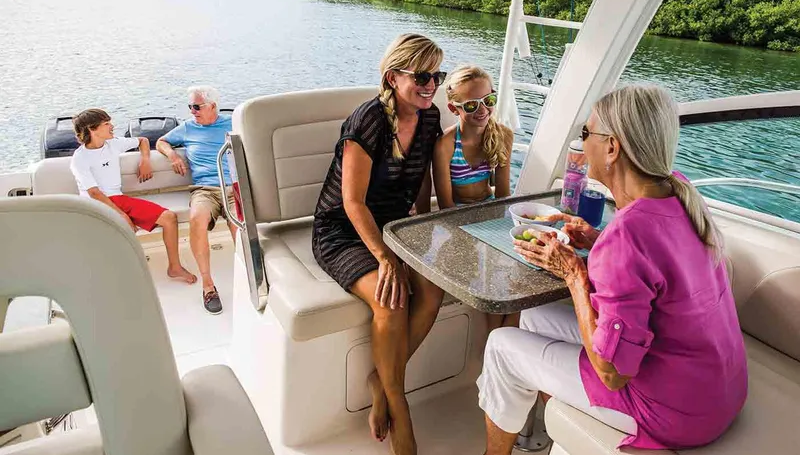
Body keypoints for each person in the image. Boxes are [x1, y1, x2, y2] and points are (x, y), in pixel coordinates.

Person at [478, 84, 747, 454]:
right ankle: (557, 422)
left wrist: (574, 272)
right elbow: (650, 266)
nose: (581, 143)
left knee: (500, 345)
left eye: (586, 134)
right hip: (718, 391)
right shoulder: (678, 191)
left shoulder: (627, 237)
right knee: (535, 316)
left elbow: (612, 372)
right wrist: (596, 238)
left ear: (612, 148)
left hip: (673, 412)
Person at [312, 33, 446, 455]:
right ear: (393, 77)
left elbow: (422, 179)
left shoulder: (429, 117)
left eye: (437, 75)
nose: (431, 84)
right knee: (391, 299)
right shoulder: (368, 121)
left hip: (394, 227)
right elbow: (351, 203)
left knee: (433, 289)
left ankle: (379, 380)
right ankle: (398, 405)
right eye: (422, 75)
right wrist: (387, 259)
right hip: (342, 230)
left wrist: (422, 228)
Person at [432, 64, 516, 332]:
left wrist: (503, 235)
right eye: (471, 105)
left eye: (488, 101)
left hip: (491, 215)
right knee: (486, 278)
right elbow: (446, 205)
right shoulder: (445, 145)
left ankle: (502, 339)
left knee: (515, 276)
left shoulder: (503, 135)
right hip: (459, 219)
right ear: (454, 108)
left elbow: (503, 195)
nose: (482, 110)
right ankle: (496, 340)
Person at [70, 108, 196, 284]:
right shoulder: (80, 158)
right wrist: (122, 215)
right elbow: (94, 193)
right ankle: (115, 276)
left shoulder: (113, 144)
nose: (112, 126)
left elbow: (143, 140)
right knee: (121, 229)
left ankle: (174, 268)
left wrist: (145, 161)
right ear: (92, 129)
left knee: (169, 217)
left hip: (118, 199)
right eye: (106, 124)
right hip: (95, 205)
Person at [156, 85, 235, 315]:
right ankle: (208, 285)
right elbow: (161, 141)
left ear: (212, 106)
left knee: (239, 225)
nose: (192, 111)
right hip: (204, 190)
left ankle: (250, 276)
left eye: (196, 106)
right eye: (190, 106)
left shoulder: (232, 124)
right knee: (197, 219)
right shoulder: (188, 128)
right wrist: (172, 155)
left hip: (232, 188)